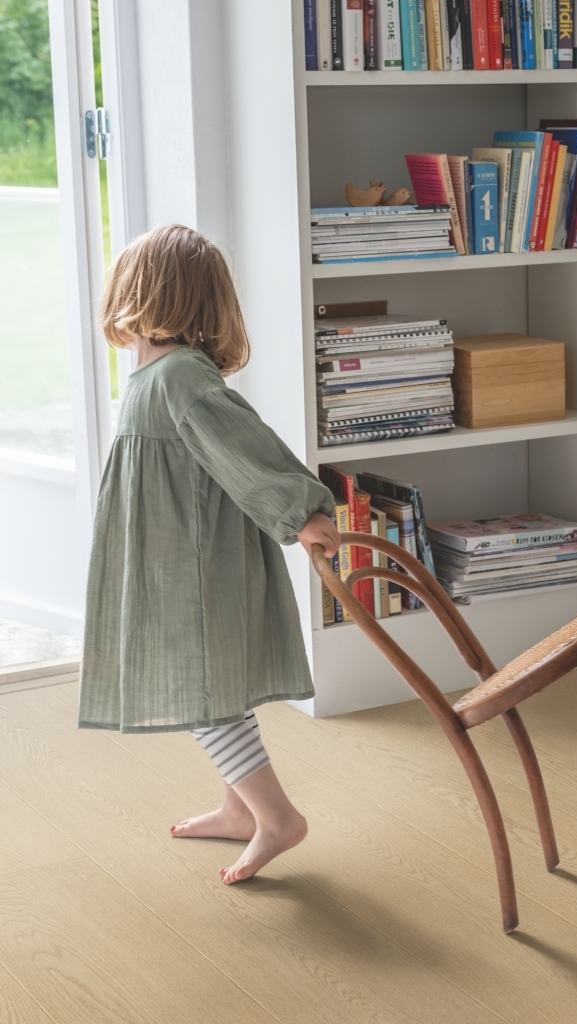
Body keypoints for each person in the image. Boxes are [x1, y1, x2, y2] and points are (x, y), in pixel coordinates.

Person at [78, 224, 342, 883]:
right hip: (172, 556)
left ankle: (276, 817)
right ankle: (239, 809)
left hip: (191, 565)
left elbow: (242, 446)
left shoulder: (180, 377)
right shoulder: (156, 375)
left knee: (197, 689)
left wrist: (301, 512)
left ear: (139, 293)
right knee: (212, 681)